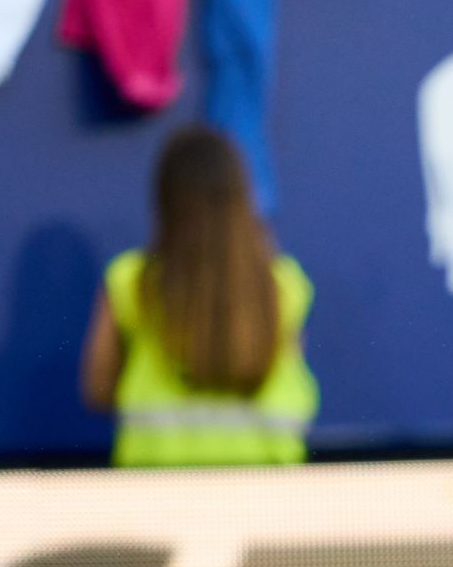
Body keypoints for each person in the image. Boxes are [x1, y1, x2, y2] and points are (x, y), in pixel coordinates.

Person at [80, 125, 319, 467]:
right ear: (242, 197)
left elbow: (99, 390)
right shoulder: (284, 285)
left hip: (154, 491)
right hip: (269, 495)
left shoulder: (129, 281)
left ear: (165, 199)